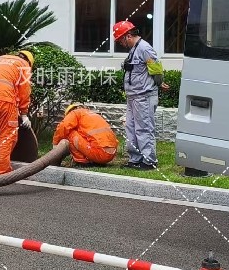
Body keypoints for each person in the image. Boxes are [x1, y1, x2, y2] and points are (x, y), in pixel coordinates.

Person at [113, 20, 168, 170]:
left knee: (144, 128)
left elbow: (156, 69)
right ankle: (135, 159)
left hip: (144, 96)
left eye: (120, 40)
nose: (120, 43)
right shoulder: (134, 49)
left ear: (128, 36)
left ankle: (149, 161)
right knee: (131, 128)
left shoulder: (144, 48)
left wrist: (158, 82)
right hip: (133, 96)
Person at [0, 50, 34, 179]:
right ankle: (2, 171)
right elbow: (24, 91)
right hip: (5, 101)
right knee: (7, 136)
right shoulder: (24, 64)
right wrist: (24, 113)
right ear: (29, 62)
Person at [52, 103, 118, 167]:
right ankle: (95, 161)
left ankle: (82, 161)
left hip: (100, 153)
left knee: (69, 133)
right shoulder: (91, 115)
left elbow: (63, 126)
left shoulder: (75, 113)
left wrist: (56, 144)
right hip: (111, 154)